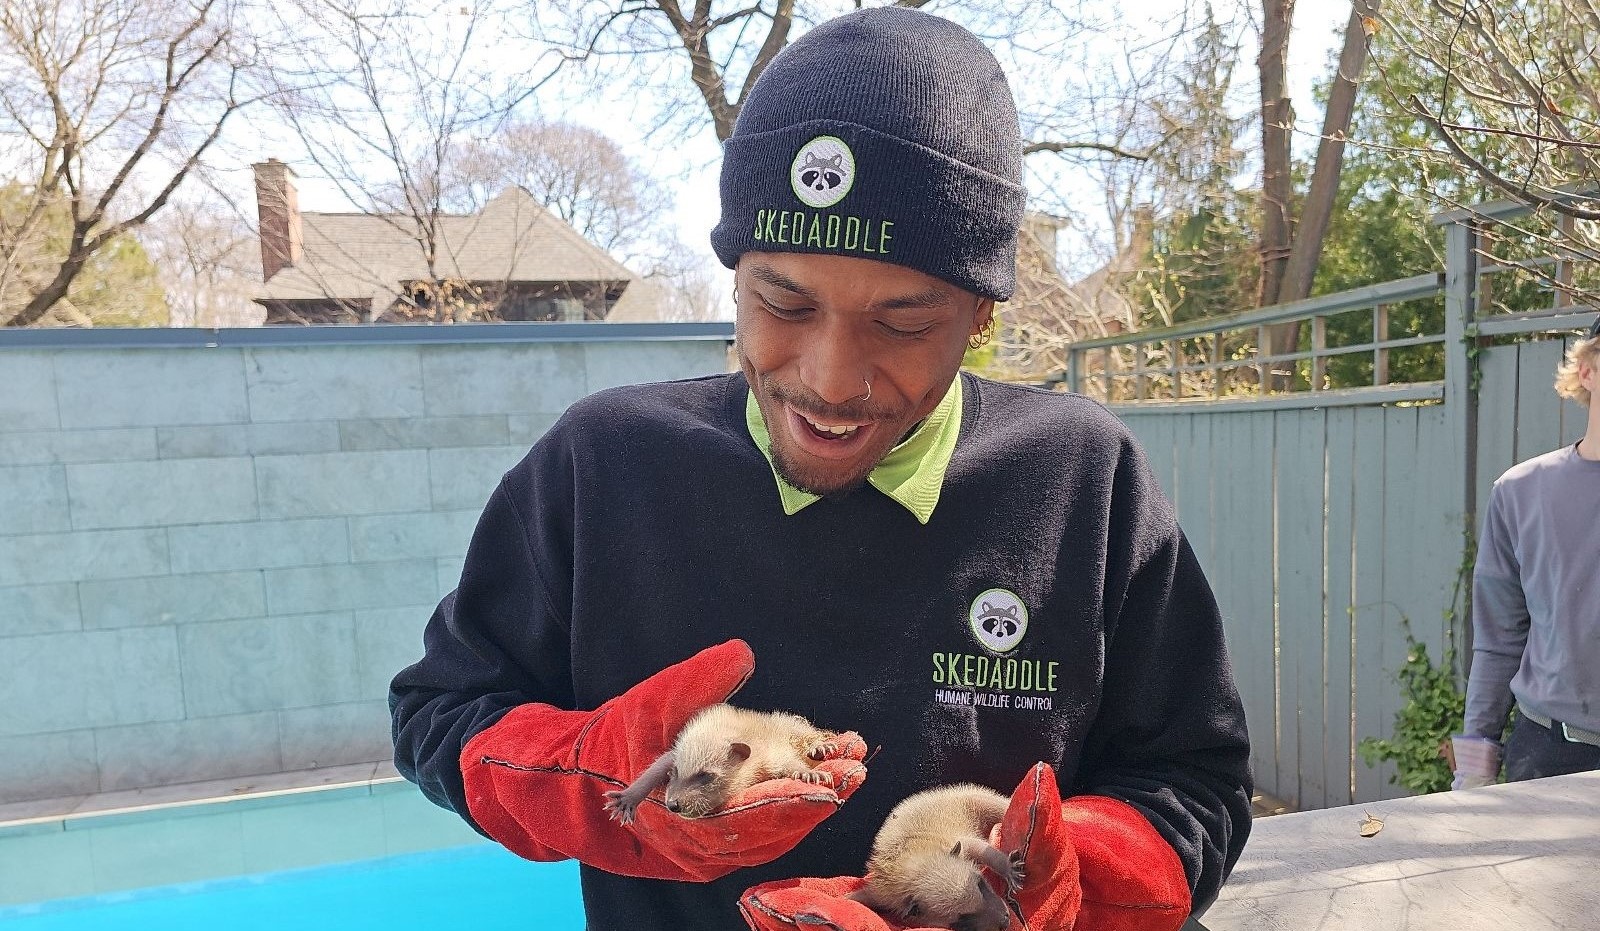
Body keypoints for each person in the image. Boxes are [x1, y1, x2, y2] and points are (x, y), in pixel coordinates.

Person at [390, 8, 1251, 930]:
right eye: (784, 301)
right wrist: (582, 772)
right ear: (733, 275)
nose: (829, 380)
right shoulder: (603, 462)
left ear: (983, 314)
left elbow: (1192, 782)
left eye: (905, 321)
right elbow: (442, 708)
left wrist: (1058, 884)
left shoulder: (1085, 476)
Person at [1453, 316, 1600, 790]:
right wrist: (1474, 769)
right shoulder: (1521, 492)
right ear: (1588, 370)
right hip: (1549, 757)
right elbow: (1498, 639)